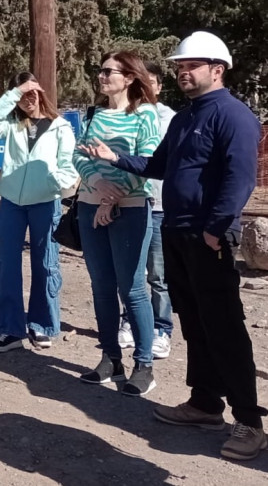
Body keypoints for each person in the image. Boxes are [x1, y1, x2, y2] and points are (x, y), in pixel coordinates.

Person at [82, 31, 267, 460]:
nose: (183, 72)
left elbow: (239, 180)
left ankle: (250, 423)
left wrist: (215, 229)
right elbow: (158, 165)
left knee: (224, 327)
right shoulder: (185, 117)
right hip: (178, 234)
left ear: (216, 70)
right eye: (180, 67)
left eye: (191, 66)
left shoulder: (234, 116)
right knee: (196, 323)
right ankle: (205, 403)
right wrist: (115, 159)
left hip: (207, 238)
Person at [72, 51, 160, 397]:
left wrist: (113, 198)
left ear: (129, 78)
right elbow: (79, 155)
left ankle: (144, 365)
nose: (101, 76)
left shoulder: (145, 114)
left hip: (130, 209)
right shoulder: (94, 113)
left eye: (109, 71)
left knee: (133, 288)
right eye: (101, 70)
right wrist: (98, 186)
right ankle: (110, 358)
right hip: (90, 208)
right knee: (101, 287)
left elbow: (148, 161)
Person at [0, 72, 78, 352]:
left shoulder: (60, 126)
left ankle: (42, 325)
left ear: (41, 91)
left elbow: (68, 165)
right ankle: (10, 329)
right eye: (22, 95)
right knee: (7, 266)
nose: (28, 99)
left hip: (45, 203)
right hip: (12, 202)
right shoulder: (11, 124)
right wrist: (14, 92)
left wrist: (51, 184)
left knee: (46, 265)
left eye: (32, 92)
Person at [117, 61, 175, 360]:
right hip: (130, 202)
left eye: (150, 81)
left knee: (158, 275)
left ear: (160, 86)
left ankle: (162, 330)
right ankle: (129, 323)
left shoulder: (170, 119)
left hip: (160, 206)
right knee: (131, 272)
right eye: (141, 81)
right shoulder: (126, 114)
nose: (146, 87)